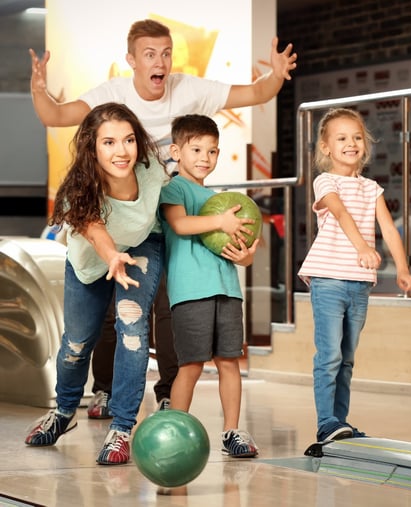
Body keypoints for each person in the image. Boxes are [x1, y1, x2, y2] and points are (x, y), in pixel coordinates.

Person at [28, 18, 297, 416]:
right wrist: (38, 89)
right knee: (108, 308)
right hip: (120, 214)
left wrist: (275, 76)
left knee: (167, 306)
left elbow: (256, 92)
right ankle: (102, 390)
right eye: (150, 54)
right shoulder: (112, 95)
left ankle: (167, 391)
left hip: (167, 212)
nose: (161, 62)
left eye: (166, 53)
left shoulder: (189, 89)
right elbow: (55, 115)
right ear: (131, 60)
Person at [24, 102, 169, 465]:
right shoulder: (78, 188)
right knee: (76, 342)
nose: (122, 151)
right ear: (92, 147)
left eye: (129, 140)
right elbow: (93, 228)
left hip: (141, 248)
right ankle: (64, 410)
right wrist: (111, 257)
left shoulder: (152, 171)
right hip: (90, 263)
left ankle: (121, 428)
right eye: (109, 142)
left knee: (132, 329)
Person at [298, 108, 411, 443]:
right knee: (329, 355)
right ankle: (326, 422)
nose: (350, 143)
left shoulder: (371, 188)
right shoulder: (325, 181)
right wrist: (363, 248)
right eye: (341, 138)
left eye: (356, 137)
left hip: (359, 284)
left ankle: (340, 421)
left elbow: (389, 230)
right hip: (328, 281)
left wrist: (403, 270)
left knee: (347, 358)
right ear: (325, 147)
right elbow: (339, 213)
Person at [159, 114, 259, 458]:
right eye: (197, 149)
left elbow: (234, 253)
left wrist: (246, 256)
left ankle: (232, 431)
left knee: (229, 362)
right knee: (191, 365)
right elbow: (181, 224)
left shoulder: (220, 199)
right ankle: (175, 430)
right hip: (190, 294)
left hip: (227, 290)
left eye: (213, 151)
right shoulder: (174, 189)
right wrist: (221, 221)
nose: (205, 158)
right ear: (176, 151)